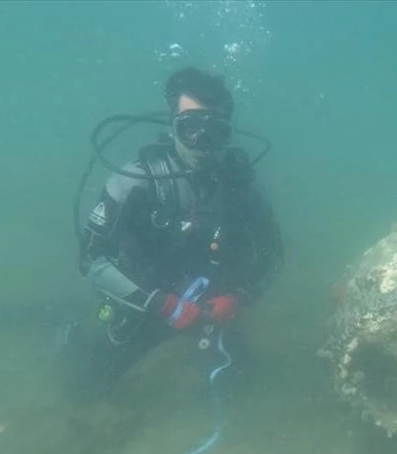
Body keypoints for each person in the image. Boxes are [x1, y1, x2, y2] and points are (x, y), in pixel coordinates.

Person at [70, 66, 283, 383]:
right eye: (190, 127)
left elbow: (274, 253)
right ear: (172, 127)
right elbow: (90, 259)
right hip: (146, 302)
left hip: (213, 306)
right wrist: (161, 304)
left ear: (228, 133)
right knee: (86, 388)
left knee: (243, 384)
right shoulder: (137, 180)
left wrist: (239, 298)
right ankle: (67, 333)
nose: (201, 142)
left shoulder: (241, 184)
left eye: (214, 131)